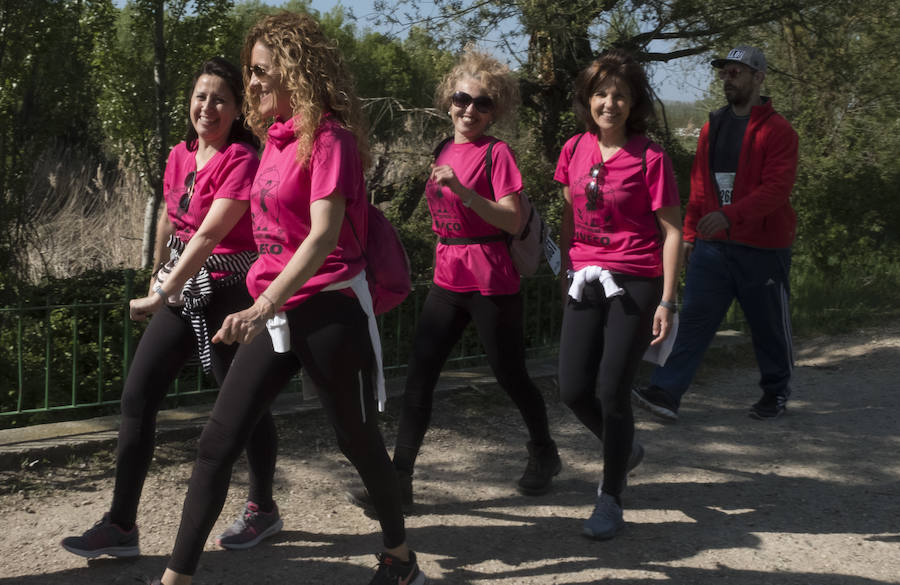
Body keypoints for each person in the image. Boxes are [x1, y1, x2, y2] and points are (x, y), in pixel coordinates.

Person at [149, 13, 426, 585]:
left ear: (298, 71)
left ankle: (400, 560)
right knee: (217, 441)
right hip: (275, 313)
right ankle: (177, 577)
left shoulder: (331, 139)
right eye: (251, 73)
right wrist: (255, 301)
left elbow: (323, 235)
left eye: (262, 73)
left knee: (356, 440)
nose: (251, 84)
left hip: (328, 311)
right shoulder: (272, 143)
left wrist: (261, 304)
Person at [60, 57, 281, 559]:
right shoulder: (180, 154)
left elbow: (207, 236)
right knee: (138, 398)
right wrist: (156, 271)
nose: (208, 107)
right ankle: (121, 526)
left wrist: (161, 293)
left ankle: (263, 508)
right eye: (201, 96)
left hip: (227, 295)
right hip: (183, 290)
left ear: (238, 109)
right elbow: (171, 219)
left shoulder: (243, 159)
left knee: (242, 407)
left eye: (220, 99)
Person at [348, 47, 561, 513]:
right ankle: (398, 482)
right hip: (448, 274)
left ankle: (544, 452)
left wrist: (464, 193)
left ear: (494, 110)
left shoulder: (497, 153)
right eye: (463, 99)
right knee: (421, 376)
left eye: (482, 104)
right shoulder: (441, 148)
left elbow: (510, 219)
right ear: (449, 100)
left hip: (490, 278)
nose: (470, 110)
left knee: (510, 374)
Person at [632, 45, 798, 422]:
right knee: (694, 321)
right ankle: (666, 392)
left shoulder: (779, 131)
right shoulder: (712, 126)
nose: (728, 78)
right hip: (713, 248)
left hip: (763, 248)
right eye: (725, 72)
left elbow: (776, 191)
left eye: (737, 72)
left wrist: (729, 215)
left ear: (759, 78)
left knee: (768, 326)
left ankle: (776, 392)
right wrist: (690, 233)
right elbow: (700, 185)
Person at [555, 49, 682, 540]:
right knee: (571, 388)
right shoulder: (573, 149)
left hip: (635, 282)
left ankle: (610, 497)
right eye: (601, 93)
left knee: (612, 390)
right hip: (584, 278)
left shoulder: (650, 158)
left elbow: (673, 232)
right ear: (588, 99)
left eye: (620, 95)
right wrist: (565, 268)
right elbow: (568, 216)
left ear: (634, 105)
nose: (610, 103)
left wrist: (668, 300)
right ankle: (624, 449)